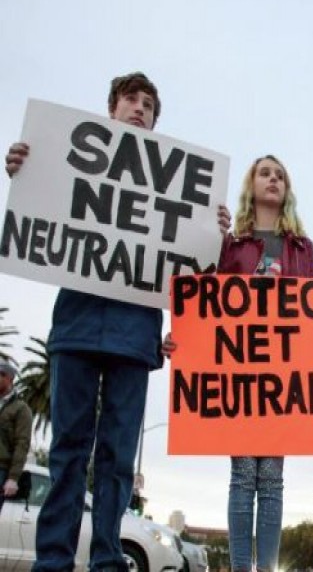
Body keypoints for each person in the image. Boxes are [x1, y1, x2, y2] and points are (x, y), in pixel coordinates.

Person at [4, 72, 230, 572]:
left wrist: (210, 236)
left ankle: (107, 561)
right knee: (68, 450)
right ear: (111, 108)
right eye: (131, 100)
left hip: (134, 337)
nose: (139, 109)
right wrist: (27, 170)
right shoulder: (65, 157)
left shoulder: (176, 187)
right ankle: (54, 562)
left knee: (117, 459)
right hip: (77, 328)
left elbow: (194, 273)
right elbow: (44, 206)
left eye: (148, 104)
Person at [165, 154, 313, 572]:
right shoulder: (232, 244)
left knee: (272, 481)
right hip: (240, 378)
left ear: (286, 190)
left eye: (279, 175)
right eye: (265, 173)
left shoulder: (303, 248)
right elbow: (209, 302)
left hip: (282, 383)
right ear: (252, 185)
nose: (273, 180)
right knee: (243, 476)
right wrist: (182, 339)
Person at [0, 360, 33, 512]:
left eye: (1, 374)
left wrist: (13, 478)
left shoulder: (20, 409)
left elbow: (22, 443)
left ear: (10, 379)